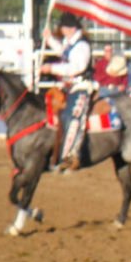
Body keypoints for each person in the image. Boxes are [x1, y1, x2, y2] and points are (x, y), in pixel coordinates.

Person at [40, 12, 93, 170]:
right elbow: (63, 51)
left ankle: (70, 156)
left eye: (63, 27)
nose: (61, 30)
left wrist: (52, 68)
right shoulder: (71, 43)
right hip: (67, 87)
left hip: (80, 86)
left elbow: (76, 67)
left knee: (72, 116)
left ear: (69, 28)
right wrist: (49, 39)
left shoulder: (82, 45)